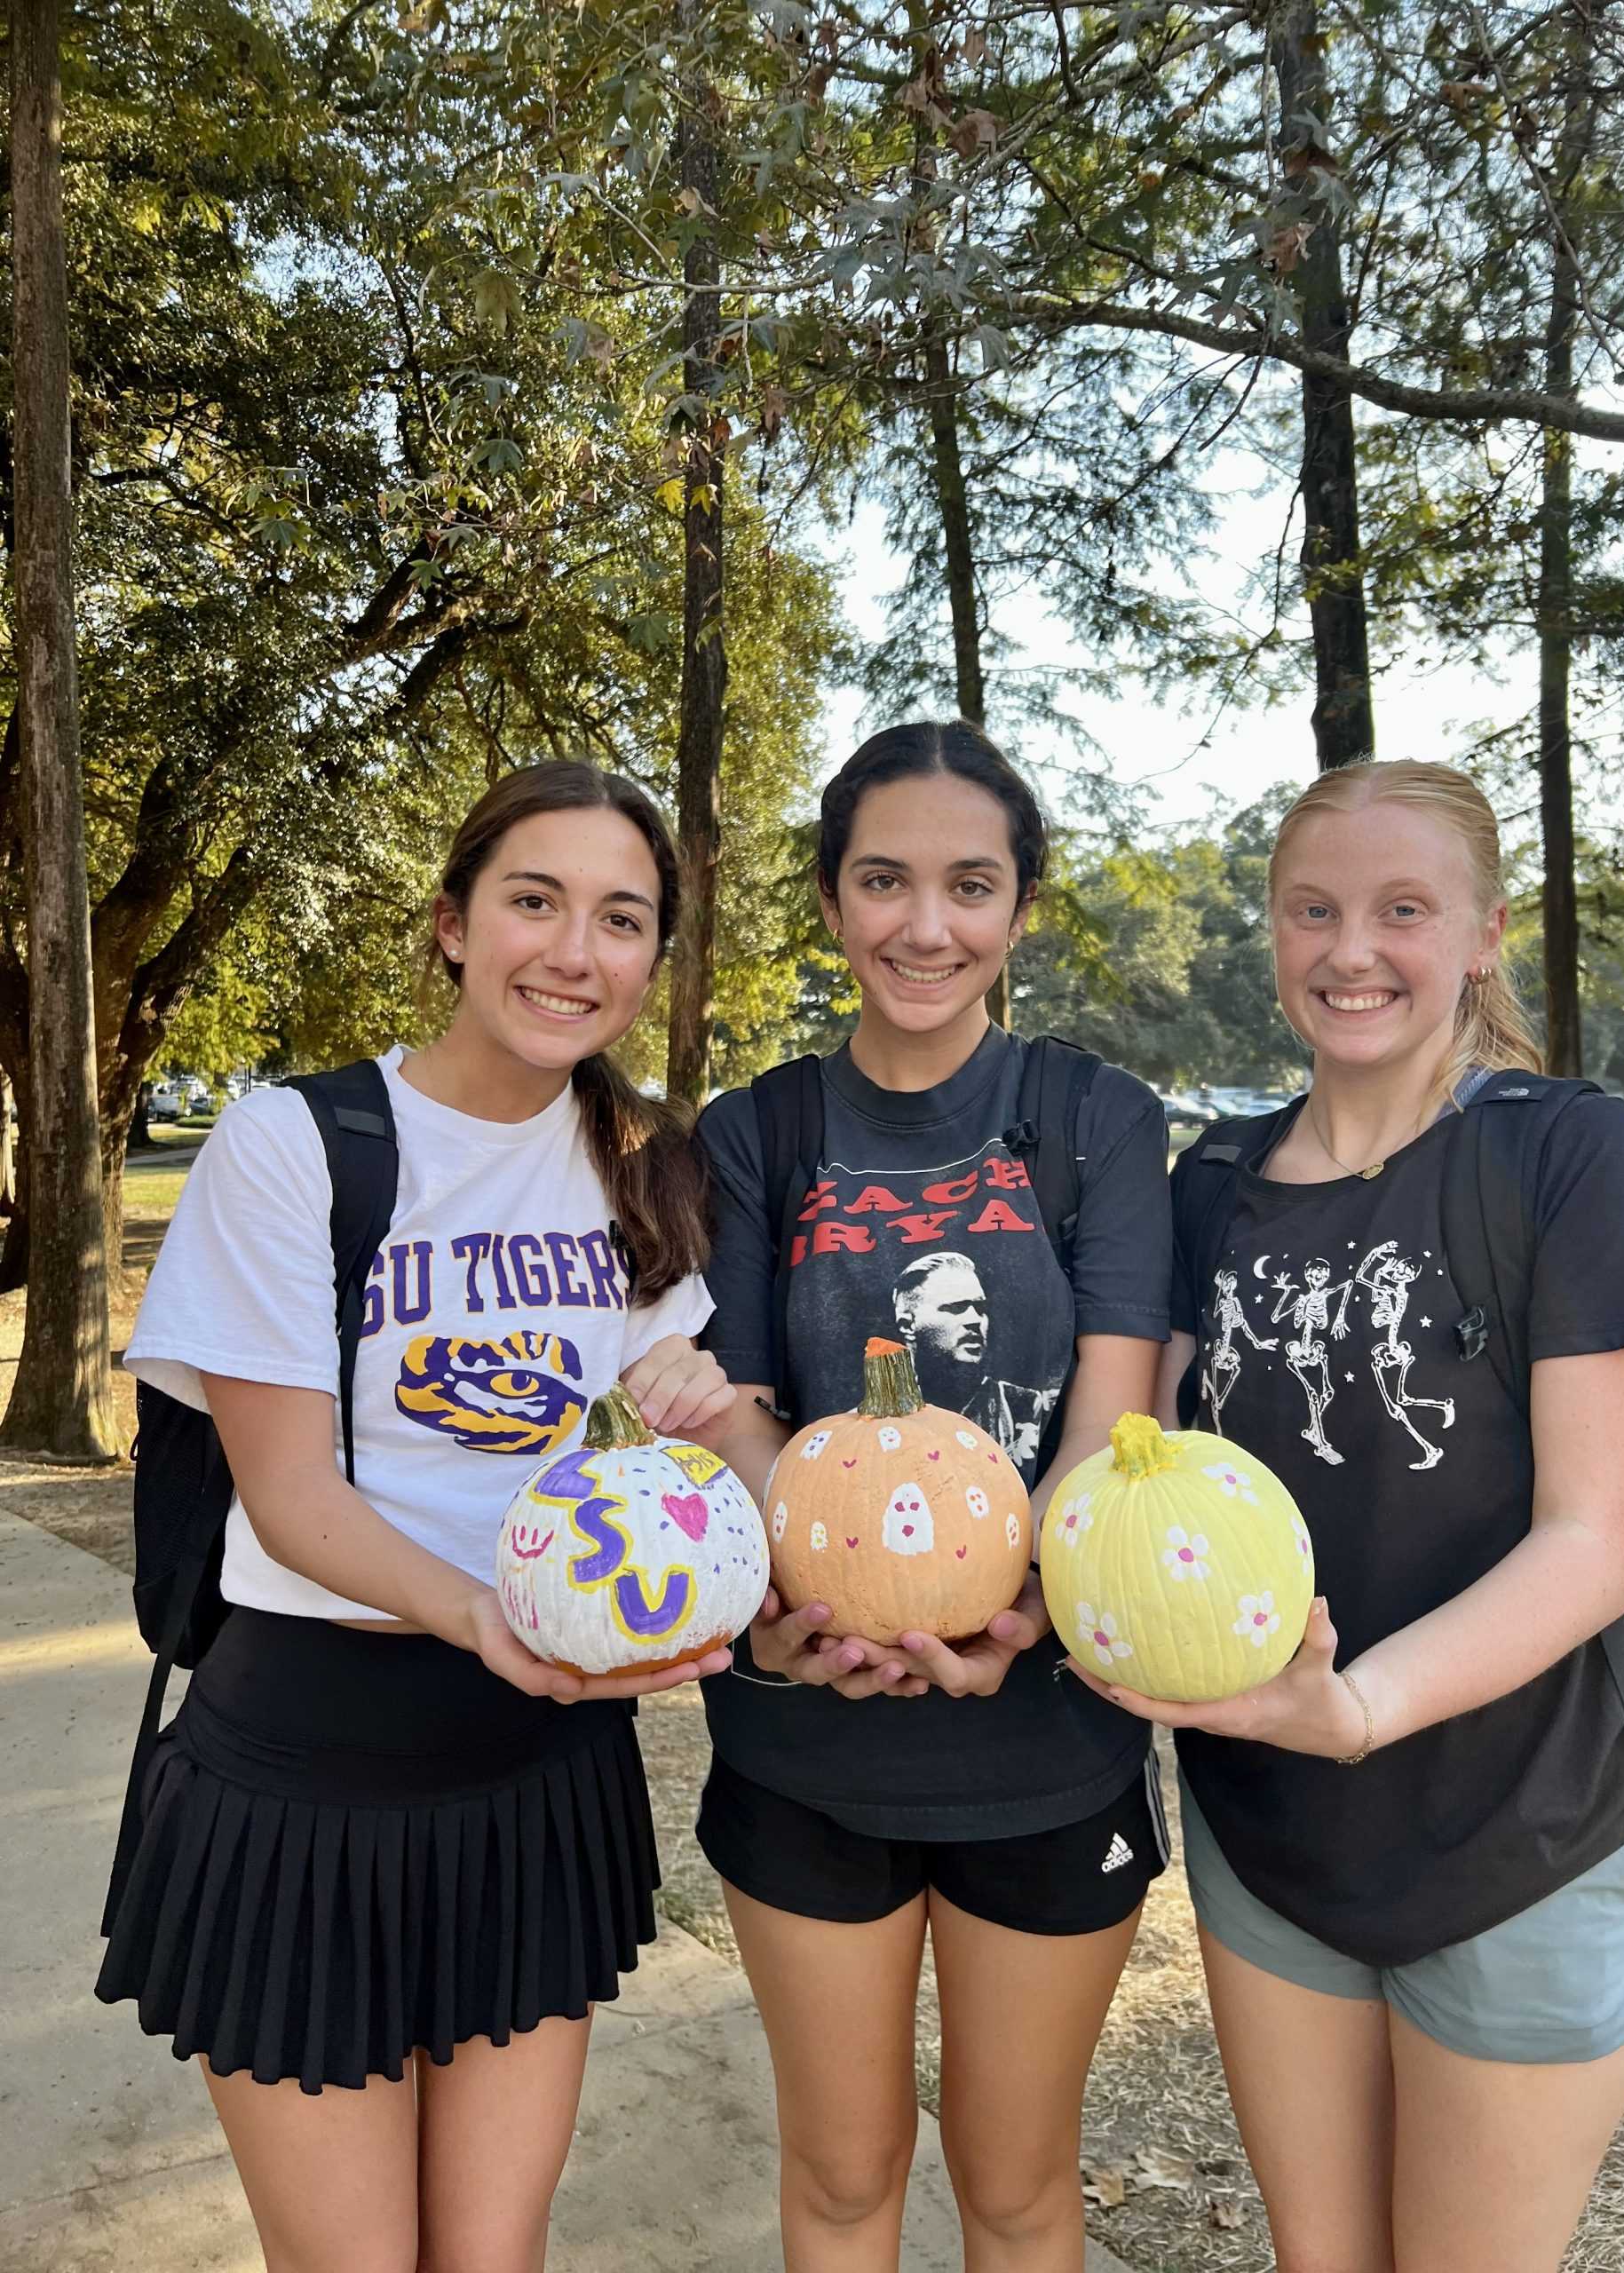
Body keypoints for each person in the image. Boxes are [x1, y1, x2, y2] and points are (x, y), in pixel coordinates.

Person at [97, 761, 735, 2273]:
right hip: (308, 1780)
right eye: (535, 901)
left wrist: (709, 1428)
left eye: (621, 918)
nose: (574, 950)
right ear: (453, 923)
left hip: (541, 1776)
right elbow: (296, 1501)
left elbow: (663, 1468)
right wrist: (482, 1621)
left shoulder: (640, 1168)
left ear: (653, 959)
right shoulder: (296, 1144)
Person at [1087, 760, 1624, 2273]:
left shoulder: (1570, 1157)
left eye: (1402, 910)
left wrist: (1355, 1704)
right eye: (1314, 910)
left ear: (1483, 935)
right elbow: (1125, 1467)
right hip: (1275, 1839)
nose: (1350, 949)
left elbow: (1593, 1544)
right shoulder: (1212, 1181)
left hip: (1528, 1836)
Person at [693, 719, 1174, 2270]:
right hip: (806, 1737)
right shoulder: (757, 1134)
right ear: (833, 900)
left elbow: (1109, 1423)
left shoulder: (1094, 1120)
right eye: (885, 880)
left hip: (1049, 1749)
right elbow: (748, 1428)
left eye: (971, 886)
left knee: (1021, 2192)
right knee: (841, 2182)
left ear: (1019, 908)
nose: (926, 925)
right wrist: (833, 1609)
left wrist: (1025, 1610)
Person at [891, 1247, 1051, 1467]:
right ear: (908, 1325)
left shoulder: (1022, 1406)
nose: (974, 1320)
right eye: (956, 1308)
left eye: (980, 1308)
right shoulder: (878, 1417)